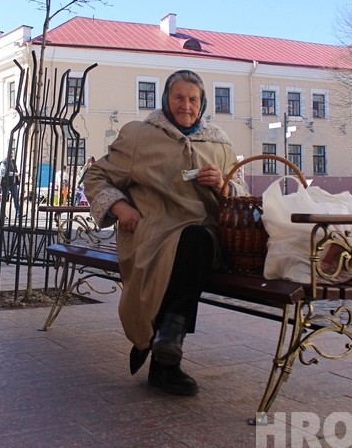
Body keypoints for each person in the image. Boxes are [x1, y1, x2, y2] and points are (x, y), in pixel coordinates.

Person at [83, 69, 246, 397]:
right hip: (152, 232)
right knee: (186, 249)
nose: (186, 105)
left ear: (202, 103)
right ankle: (166, 356)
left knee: (195, 242)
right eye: (178, 97)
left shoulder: (220, 144)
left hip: (203, 237)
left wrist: (224, 185)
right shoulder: (139, 136)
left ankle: (167, 345)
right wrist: (120, 208)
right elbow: (96, 175)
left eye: (193, 99)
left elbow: (242, 196)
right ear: (165, 100)